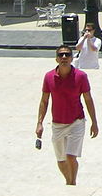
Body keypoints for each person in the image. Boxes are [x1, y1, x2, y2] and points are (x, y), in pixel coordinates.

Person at [35, 45, 98, 185]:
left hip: (77, 122)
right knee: (61, 160)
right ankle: (69, 181)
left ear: (71, 58)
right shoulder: (49, 77)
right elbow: (44, 101)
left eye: (67, 55)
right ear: (56, 59)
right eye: (61, 55)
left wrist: (94, 122)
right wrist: (39, 123)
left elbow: (88, 99)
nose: (64, 57)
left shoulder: (81, 76)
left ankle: (72, 183)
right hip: (57, 123)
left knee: (70, 157)